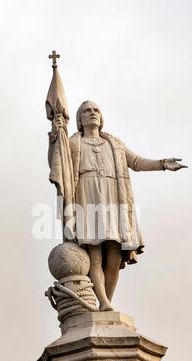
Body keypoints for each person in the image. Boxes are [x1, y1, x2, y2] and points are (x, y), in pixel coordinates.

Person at [48, 101, 187, 311]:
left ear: (101, 118)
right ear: (79, 119)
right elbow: (56, 163)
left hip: (114, 198)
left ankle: (107, 302)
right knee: (94, 256)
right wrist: (54, 135)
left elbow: (137, 162)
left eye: (96, 110)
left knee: (114, 258)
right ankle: (103, 303)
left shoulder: (115, 143)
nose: (92, 113)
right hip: (87, 198)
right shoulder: (74, 143)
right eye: (87, 111)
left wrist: (161, 164)